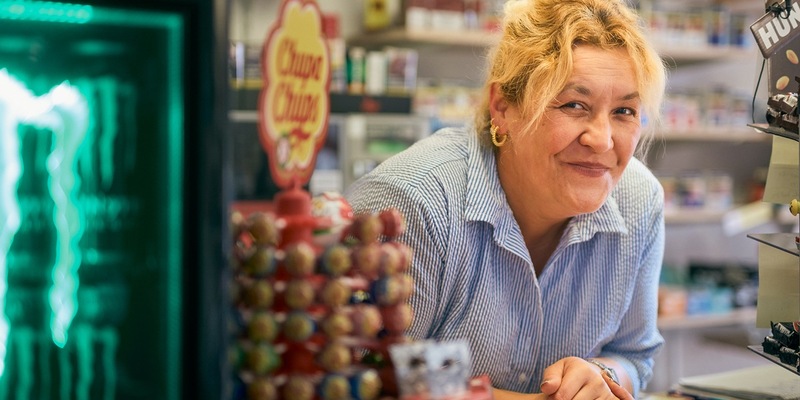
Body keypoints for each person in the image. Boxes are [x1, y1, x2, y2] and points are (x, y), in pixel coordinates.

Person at [344, 0, 667, 398]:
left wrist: (600, 377)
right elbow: (366, 372)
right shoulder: (413, 204)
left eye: (624, 111)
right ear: (503, 108)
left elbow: (635, 354)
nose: (601, 139)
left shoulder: (640, 200)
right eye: (573, 105)